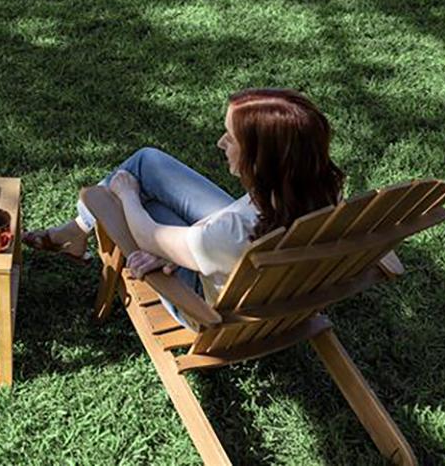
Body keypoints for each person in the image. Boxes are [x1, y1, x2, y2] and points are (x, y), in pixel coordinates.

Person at [22, 88, 344, 327]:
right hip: (248, 270)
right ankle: (76, 231)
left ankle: (77, 231)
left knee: (113, 195)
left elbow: (148, 236)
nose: (220, 143)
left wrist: (128, 194)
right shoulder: (315, 193)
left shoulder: (233, 232)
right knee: (147, 162)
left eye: (231, 138)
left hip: (204, 307)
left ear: (262, 159)